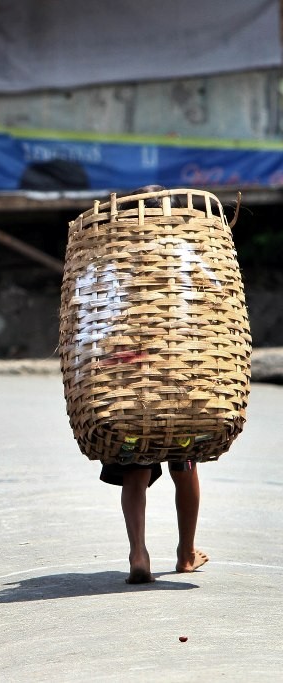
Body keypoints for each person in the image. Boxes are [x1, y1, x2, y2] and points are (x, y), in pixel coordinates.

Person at [100, 185, 207, 584]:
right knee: (185, 464)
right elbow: (214, 301)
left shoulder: (113, 258)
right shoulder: (189, 253)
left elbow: (97, 320)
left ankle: (138, 553)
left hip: (130, 387)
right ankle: (185, 553)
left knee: (135, 470)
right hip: (178, 385)